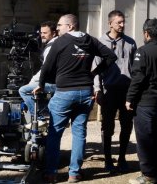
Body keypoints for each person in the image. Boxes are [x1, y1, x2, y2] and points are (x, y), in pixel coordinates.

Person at [33, 14, 117, 183]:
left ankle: (51, 173)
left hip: (65, 92)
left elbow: (47, 66)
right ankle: (74, 173)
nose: (57, 28)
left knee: (55, 133)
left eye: (60, 25)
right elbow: (111, 57)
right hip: (86, 92)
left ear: (70, 26)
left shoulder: (60, 42)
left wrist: (41, 84)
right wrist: (93, 72)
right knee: (79, 133)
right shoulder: (90, 40)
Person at [126, 18, 157, 184]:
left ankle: (149, 175)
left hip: (146, 102)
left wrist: (129, 98)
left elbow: (138, 78)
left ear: (146, 33)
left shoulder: (143, 51)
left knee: (145, 139)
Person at [93, 10, 137, 173]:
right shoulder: (100, 43)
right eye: (119, 22)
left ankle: (122, 158)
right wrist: (97, 89)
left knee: (126, 126)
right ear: (110, 23)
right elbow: (95, 69)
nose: (122, 25)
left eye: (123, 22)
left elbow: (135, 69)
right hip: (109, 90)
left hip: (126, 91)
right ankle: (107, 159)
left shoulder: (131, 43)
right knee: (108, 126)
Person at [19, 21, 58, 117]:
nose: (42, 35)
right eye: (41, 33)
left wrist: (33, 81)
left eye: (45, 33)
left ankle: (38, 115)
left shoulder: (51, 47)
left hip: (53, 84)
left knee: (23, 90)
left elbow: (46, 68)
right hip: (55, 82)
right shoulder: (56, 44)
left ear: (54, 33)